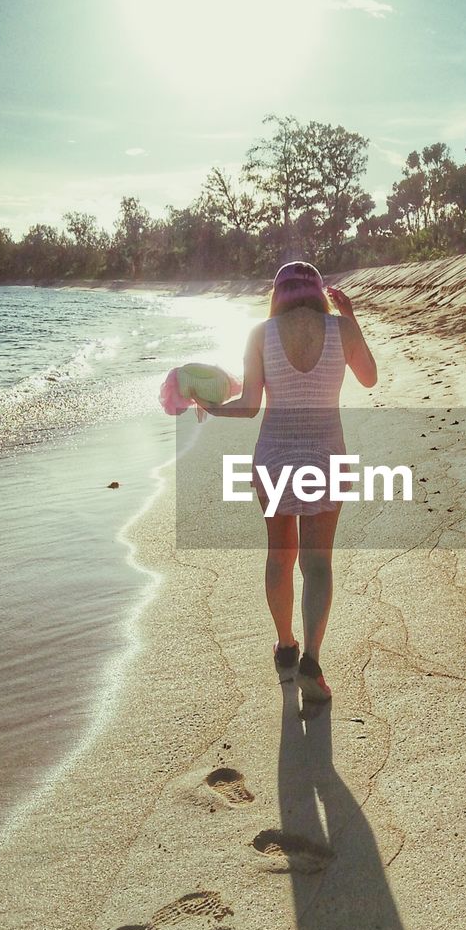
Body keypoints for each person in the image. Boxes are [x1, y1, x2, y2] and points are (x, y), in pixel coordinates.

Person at [195, 261, 377, 703]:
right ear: (318, 292)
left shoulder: (261, 333)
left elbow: (250, 405)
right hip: (326, 457)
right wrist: (350, 318)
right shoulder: (340, 329)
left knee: (280, 555)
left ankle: (286, 647)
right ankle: (312, 661)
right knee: (317, 563)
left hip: (274, 457)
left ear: (277, 295)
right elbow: (370, 378)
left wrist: (211, 407)